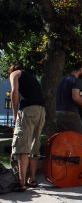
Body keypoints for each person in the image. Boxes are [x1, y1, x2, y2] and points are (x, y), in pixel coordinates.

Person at [9, 63, 46, 192]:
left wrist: (15, 114)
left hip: (28, 110)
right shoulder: (32, 77)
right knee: (33, 146)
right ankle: (33, 179)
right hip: (41, 111)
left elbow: (14, 92)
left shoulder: (15, 73)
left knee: (22, 146)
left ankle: (21, 183)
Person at [56, 62, 82, 133]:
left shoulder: (63, 79)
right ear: (81, 69)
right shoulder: (75, 80)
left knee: (64, 138)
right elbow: (76, 97)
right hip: (70, 113)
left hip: (58, 113)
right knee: (81, 138)